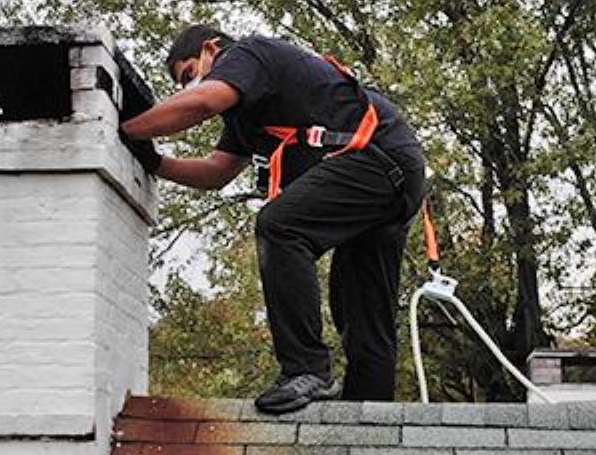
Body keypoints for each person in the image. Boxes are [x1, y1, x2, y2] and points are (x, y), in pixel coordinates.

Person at [120, 25, 426, 414]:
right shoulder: (246, 115)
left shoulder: (246, 55)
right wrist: (156, 163)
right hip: (394, 173)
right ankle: (370, 425)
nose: (189, 86)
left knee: (281, 226)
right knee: (360, 308)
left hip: (376, 157)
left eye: (189, 74)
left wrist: (122, 130)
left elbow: (201, 103)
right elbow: (218, 171)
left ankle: (307, 369)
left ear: (211, 49)